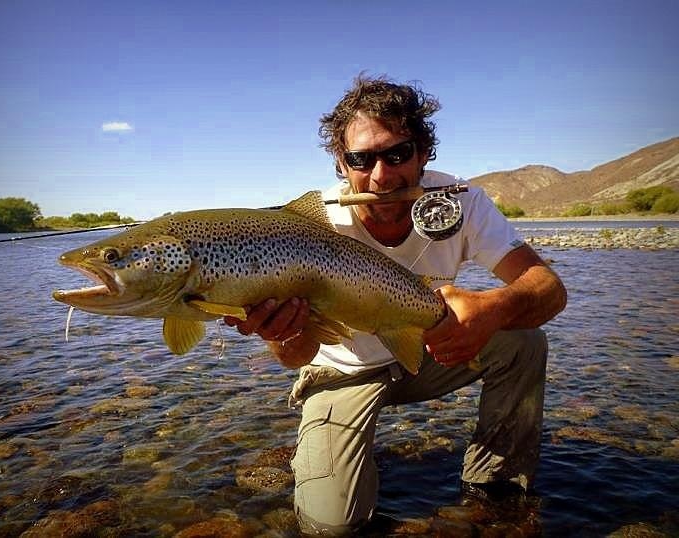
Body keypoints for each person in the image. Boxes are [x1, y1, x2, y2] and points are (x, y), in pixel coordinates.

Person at [225, 74, 567, 535]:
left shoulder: (460, 200)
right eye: (361, 159)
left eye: (397, 154)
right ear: (341, 165)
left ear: (424, 152)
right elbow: (295, 357)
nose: (382, 177)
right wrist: (282, 332)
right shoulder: (308, 225)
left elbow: (548, 288)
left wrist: (494, 308)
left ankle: (495, 495)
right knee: (331, 527)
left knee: (524, 341)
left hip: (426, 353)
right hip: (342, 373)